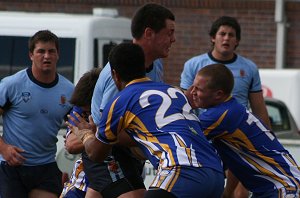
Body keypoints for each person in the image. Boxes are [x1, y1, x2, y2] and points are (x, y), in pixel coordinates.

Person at [68, 42, 225, 198]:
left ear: (115, 75)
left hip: (181, 169)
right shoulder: (174, 91)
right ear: (143, 68)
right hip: (215, 172)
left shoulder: (121, 101)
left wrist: (86, 134)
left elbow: (96, 154)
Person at [85, 3, 176, 198]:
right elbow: (104, 127)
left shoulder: (156, 64)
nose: (173, 39)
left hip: (130, 151)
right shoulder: (117, 72)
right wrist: (148, 139)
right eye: (169, 33)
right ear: (149, 33)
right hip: (109, 152)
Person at [181, 16, 271, 197]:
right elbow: (185, 102)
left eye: (231, 35)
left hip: (235, 134)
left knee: (239, 194)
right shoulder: (194, 65)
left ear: (237, 40)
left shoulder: (249, 68)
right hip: (204, 131)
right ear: (213, 37)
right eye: (222, 33)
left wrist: (267, 137)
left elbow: (259, 107)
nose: (227, 38)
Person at [190, 63, 300, 198]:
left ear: (218, 94)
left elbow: (180, 135)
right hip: (277, 186)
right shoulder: (232, 110)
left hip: (283, 187)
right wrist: (227, 193)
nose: (192, 92)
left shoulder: (219, 115)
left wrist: (182, 103)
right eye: (192, 87)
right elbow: (236, 161)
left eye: (198, 89)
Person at [0, 30, 74, 198]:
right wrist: (3, 148)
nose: (46, 56)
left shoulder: (68, 90)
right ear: (31, 55)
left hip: (45, 167)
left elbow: (78, 126)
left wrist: (74, 138)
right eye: (41, 51)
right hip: (11, 168)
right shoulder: (12, 85)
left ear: (58, 55)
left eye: (51, 51)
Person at [61, 68, 101, 198]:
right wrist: (101, 134)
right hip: (81, 184)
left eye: (89, 112)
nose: (86, 115)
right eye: (84, 113)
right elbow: (72, 145)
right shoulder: (79, 109)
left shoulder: (116, 108)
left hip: (115, 180)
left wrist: (88, 134)